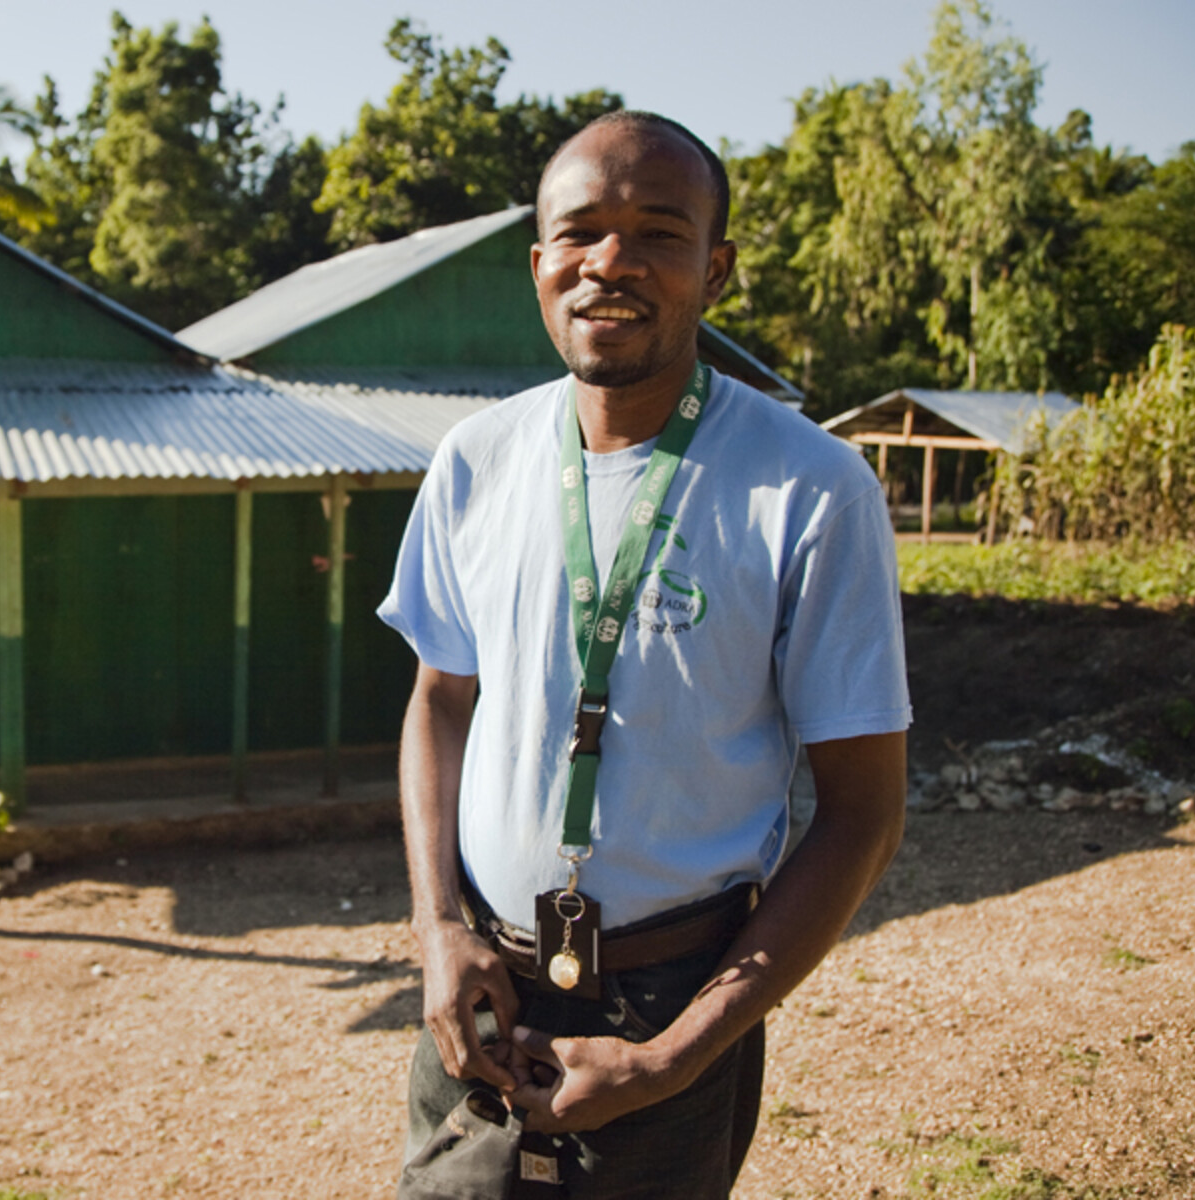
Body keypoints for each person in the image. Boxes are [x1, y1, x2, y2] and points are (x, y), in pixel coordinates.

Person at [378, 110, 911, 1198]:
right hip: (483, 992)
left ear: (714, 270)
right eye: (579, 232)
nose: (608, 262)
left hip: (672, 1003)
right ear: (537, 263)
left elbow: (861, 809)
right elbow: (441, 700)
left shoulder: (810, 491)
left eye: (658, 234)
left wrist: (676, 1053)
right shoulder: (474, 462)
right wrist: (437, 929)